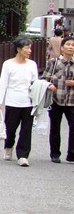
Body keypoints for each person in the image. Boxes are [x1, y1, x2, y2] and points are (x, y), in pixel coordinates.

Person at [0, 36, 38, 167]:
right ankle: (8, 146)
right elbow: (3, 84)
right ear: (19, 49)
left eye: (30, 48)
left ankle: (23, 155)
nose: (29, 50)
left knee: (26, 130)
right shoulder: (8, 64)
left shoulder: (32, 64)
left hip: (28, 102)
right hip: (12, 101)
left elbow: (35, 84)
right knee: (11, 129)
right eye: (27, 47)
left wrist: (37, 101)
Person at [40, 34, 74, 163]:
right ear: (62, 47)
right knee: (55, 128)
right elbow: (44, 79)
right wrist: (50, 85)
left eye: (73, 45)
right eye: (68, 45)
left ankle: (71, 154)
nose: (71, 47)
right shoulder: (53, 63)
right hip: (55, 100)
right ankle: (55, 153)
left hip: (71, 101)